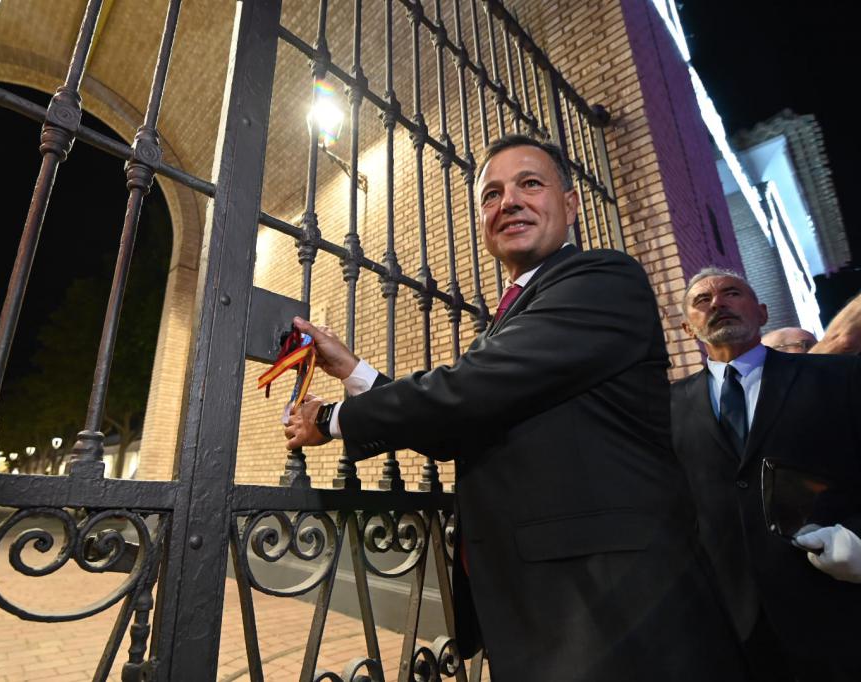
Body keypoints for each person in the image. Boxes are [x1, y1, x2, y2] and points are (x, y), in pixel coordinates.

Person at [285, 134, 747, 680]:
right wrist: (354, 371)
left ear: (570, 204)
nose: (508, 202)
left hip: (620, 612)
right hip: (541, 609)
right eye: (492, 194)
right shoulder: (515, 317)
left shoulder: (604, 278)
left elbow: (472, 387)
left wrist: (330, 419)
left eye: (530, 183)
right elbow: (457, 426)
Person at [671, 267, 861, 681]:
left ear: (761, 312)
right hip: (729, 631)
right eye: (702, 300)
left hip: (835, 608)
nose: (717, 303)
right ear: (687, 328)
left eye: (731, 293)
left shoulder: (838, 376)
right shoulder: (667, 407)